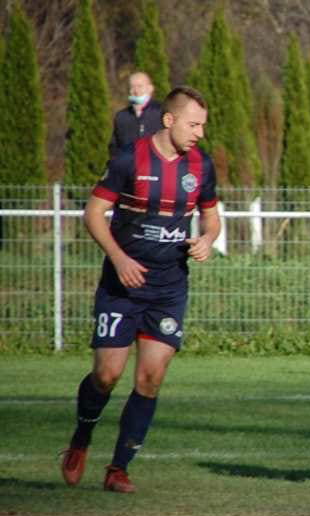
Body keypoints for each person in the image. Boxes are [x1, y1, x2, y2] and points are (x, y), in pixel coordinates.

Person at [60, 86, 221, 493]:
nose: (200, 132)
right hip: (122, 285)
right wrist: (118, 257)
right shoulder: (130, 158)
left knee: (150, 378)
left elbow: (212, 217)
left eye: (203, 125)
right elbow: (94, 213)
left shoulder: (201, 166)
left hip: (168, 287)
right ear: (169, 120)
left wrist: (206, 239)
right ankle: (81, 436)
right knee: (107, 374)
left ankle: (118, 468)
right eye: (193, 124)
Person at [109, 72, 164, 157]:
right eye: (132, 87)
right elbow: (114, 147)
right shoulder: (122, 117)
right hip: (129, 168)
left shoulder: (161, 112)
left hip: (156, 167)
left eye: (140, 86)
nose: (136, 91)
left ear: (150, 88)